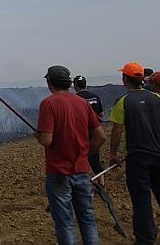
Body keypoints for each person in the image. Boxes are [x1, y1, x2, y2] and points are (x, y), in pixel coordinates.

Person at [35, 65, 106, 245]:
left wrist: (38, 135)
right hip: (81, 171)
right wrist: (86, 154)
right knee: (88, 219)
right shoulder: (82, 103)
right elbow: (101, 136)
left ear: (50, 83)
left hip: (58, 172)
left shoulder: (48, 104)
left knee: (65, 223)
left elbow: (46, 141)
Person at [108, 62, 160, 245]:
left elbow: (117, 130)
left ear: (125, 79)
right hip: (158, 153)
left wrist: (112, 154)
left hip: (138, 157)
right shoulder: (157, 97)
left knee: (141, 199)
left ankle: (146, 238)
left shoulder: (123, 101)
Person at [73, 75, 106, 186]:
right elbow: (101, 114)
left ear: (75, 85)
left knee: (79, 157)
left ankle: (80, 183)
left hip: (81, 132)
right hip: (95, 131)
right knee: (94, 157)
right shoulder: (95, 97)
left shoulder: (74, 99)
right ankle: (101, 183)